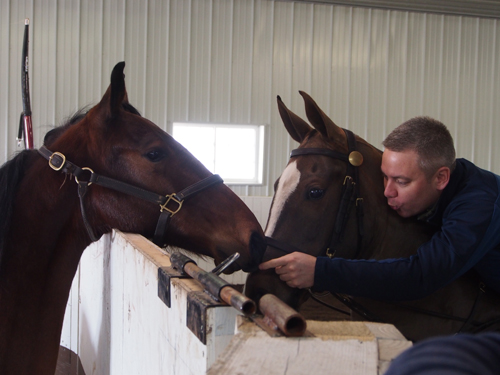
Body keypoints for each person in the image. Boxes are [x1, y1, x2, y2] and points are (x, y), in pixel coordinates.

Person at [259, 116, 500, 301]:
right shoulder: (435, 188)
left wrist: (321, 271)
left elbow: (423, 274)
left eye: (402, 181)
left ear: (440, 178)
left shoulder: (480, 203)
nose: (388, 192)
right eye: (385, 177)